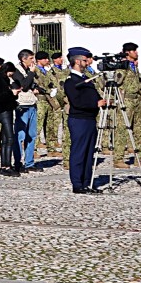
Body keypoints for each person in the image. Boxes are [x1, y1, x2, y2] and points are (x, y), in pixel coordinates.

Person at [61, 46, 105, 193]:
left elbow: (93, 95)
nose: (88, 63)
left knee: (88, 153)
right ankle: (78, 184)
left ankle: (87, 182)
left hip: (90, 119)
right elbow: (77, 102)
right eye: (86, 60)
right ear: (78, 61)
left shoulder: (86, 78)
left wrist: (102, 101)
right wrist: (95, 104)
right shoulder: (71, 81)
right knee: (79, 152)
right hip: (79, 120)